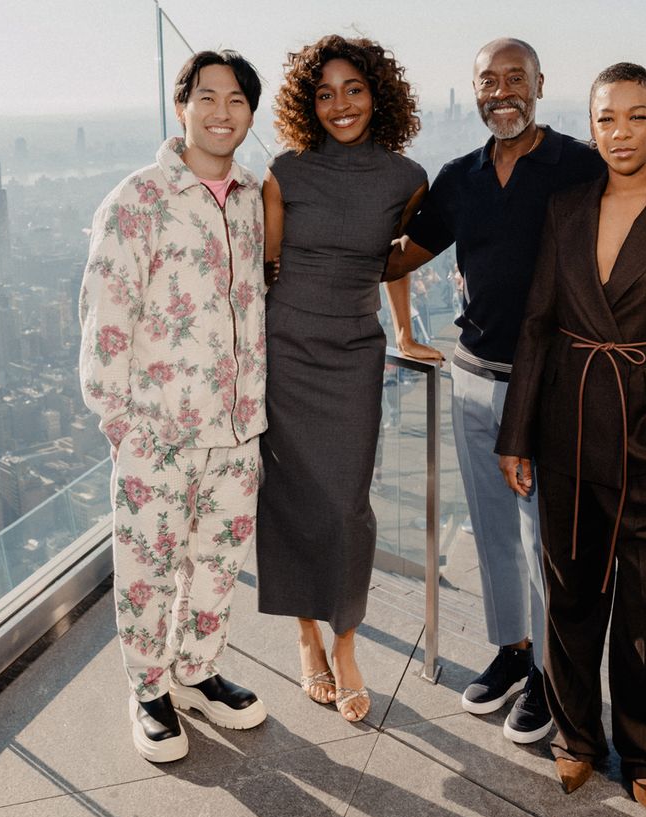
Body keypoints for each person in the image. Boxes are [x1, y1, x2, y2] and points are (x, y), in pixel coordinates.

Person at [383, 38, 646, 746]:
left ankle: (549, 674)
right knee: (492, 535)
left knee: (552, 549)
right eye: (489, 80)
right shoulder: (459, 178)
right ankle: (512, 650)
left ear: (541, 85)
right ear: (474, 90)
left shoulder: (576, 162)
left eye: (517, 78)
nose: (502, 90)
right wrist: (396, 320)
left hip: (553, 390)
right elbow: (400, 254)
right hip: (473, 378)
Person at [496, 62, 646, 816]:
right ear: (590, 125)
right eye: (606, 118)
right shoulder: (566, 207)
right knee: (570, 590)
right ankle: (577, 737)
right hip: (565, 421)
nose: (621, 132)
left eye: (636, 116)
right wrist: (517, 435)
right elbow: (536, 324)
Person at [79, 50, 269, 763]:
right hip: (155, 431)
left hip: (238, 424)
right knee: (147, 566)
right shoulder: (139, 197)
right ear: (181, 104)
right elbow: (105, 310)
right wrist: (117, 417)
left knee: (218, 562)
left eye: (237, 100)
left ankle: (196, 668)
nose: (222, 112)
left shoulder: (253, 196)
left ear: (251, 114)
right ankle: (148, 686)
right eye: (207, 97)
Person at [255, 35, 442, 724]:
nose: (340, 105)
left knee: (347, 505)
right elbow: (267, 270)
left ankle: (348, 641)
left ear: (378, 94)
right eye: (325, 93)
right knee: (291, 499)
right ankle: (307, 639)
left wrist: (405, 331)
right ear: (310, 104)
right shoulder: (285, 171)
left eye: (354, 89)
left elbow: (396, 260)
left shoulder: (406, 177)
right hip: (286, 350)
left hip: (353, 354)